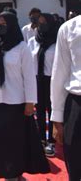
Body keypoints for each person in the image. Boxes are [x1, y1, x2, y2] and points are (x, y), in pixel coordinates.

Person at [0, 11, 49, 180]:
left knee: (13, 140)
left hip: (15, 102)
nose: (1, 26)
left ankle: (13, 172)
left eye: (4, 23)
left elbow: (29, 77)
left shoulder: (21, 47)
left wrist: (30, 102)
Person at [50, 13, 81, 181]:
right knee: (76, 166)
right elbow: (59, 74)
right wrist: (56, 117)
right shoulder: (69, 28)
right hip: (77, 105)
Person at [27, 13, 59, 157]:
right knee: (39, 109)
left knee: (51, 109)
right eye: (40, 23)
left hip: (52, 79)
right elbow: (28, 62)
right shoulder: (33, 41)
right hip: (37, 79)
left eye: (45, 22)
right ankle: (41, 139)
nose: (42, 25)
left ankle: (51, 140)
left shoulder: (57, 41)